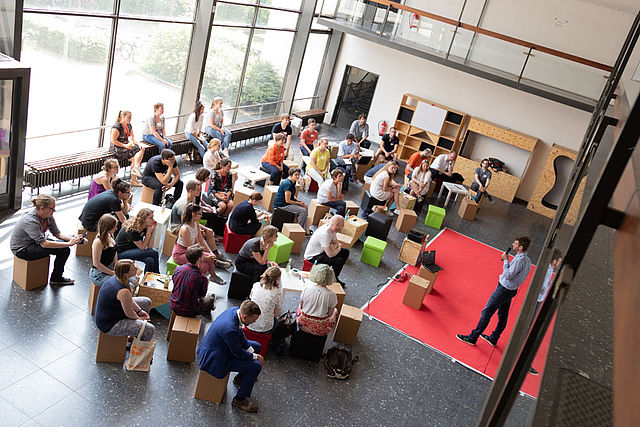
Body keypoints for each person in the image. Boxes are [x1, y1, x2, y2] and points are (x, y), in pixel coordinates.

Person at [456, 236, 533, 346]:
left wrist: (506, 260)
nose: (513, 244)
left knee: (486, 312)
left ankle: (473, 337)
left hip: (504, 290)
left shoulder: (520, 261)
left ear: (520, 247)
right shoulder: (527, 261)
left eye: (515, 243)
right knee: (503, 315)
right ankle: (494, 338)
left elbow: (508, 275)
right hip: (511, 290)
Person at [197, 300, 264, 413]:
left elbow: (240, 334)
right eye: (253, 320)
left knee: (256, 346)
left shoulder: (234, 311)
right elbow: (238, 353)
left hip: (221, 349)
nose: (254, 322)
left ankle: (241, 377)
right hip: (215, 359)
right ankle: (239, 400)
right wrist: (255, 357)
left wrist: (252, 352)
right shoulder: (230, 329)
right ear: (244, 317)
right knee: (255, 366)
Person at [10, 195, 83, 285]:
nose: (54, 211)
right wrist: (69, 244)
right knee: (64, 249)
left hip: (36, 241)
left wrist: (73, 239)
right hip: (23, 249)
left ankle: (56, 277)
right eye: (52, 208)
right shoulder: (30, 220)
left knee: (63, 247)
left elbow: (58, 234)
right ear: (42, 208)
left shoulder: (48, 216)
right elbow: (44, 244)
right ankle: (56, 278)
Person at [169, 180, 231, 268]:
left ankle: (215, 254)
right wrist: (196, 229)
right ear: (191, 191)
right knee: (200, 234)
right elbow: (185, 223)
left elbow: (194, 215)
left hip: (189, 222)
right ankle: (212, 258)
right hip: (177, 226)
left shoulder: (192, 198)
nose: (200, 192)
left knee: (209, 231)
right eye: (198, 190)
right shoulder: (184, 205)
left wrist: (199, 226)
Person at [95, 259, 155, 341]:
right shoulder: (123, 291)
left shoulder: (118, 277)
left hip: (114, 311)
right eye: (134, 269)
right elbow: (130, 314)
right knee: (149, 329)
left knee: (146, 302)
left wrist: (140, 311)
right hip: (110, 324)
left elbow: (128, 300)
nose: (137, 269)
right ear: (126, 274)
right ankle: (137, 349)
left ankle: (133, 336)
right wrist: (142, 320)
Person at [528, 249, 562, 375]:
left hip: (538, 299)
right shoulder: (548, 271)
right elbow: (543, 288)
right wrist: (551, 284)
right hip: (538, 300)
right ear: (554, 261)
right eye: (558, 261)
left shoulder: (549, 270)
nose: (559, 263)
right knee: (530, 326)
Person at [172, 204, 225, 285]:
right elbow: (191, 251)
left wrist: (210, 252)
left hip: (192, 250)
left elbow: (201, 239)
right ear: (193, 214)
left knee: (209, 258)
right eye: (200, 213)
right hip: (182, 253)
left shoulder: (195, 223)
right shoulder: (185, 229)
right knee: (204, 265)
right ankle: (198, 283)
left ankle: (213, 276)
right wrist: (206, 257)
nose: (201, 215)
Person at [170, 244, 215, 317]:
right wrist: (206, 283)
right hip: (189, 310)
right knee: (211, 299)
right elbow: (201, 298)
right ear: (199, 259)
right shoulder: (201, 278)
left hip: (173, 305)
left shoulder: (178, 269)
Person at [304, 215, 349, 285]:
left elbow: (336, 242)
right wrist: (337, 249)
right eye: (342, 225)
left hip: (322, 251)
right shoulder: (325, 234)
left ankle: (334, 276)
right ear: (337, 225)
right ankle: (333, 280)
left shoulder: (332, 229)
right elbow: (330, 255)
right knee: (338, 261)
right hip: (313, 256)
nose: (343, 226)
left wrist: (334, 248)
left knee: (345, 252)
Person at [115, 208, 160, 274]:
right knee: (154, 252)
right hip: (120, 252)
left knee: (150, 260)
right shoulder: (133, 230)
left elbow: (150, 246)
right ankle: (157, 274)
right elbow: (143, 247)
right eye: (151, 218)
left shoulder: (145, 226)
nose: (153, 220)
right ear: (143, 219)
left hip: (134, 248)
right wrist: (148, 234)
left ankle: (146, 281)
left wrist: (153, 230)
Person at [297, 264, 338, 336]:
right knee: (335, 311)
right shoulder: (332, 294)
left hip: (303, 324)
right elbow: (329, 314)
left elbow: (302, 307)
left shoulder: (307, 289)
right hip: (319, 328)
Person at [109, 110, 144, 186]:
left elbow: (132, 137)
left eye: (131, 117)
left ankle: (136, 168)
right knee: (135, 158)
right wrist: (125, 146)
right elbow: (113, 141)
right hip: (117, 147)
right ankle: (134, 179)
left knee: (142, 149)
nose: (130, 118)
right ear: (123, 117)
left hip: (126, 145)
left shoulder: (129, 125)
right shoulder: (117, 126)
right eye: (129, 117)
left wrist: (138, 144)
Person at [247, 266, 283, 334]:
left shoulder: (256, 285)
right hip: (265, 328)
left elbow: (251, 298)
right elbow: (276, 314)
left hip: (249, 322)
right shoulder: (278, 293)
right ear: (278, 279)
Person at [273, 168, 308, 233]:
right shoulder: (287, 184)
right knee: (303, 211)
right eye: (296, 175)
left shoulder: (293, 182)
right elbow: (288, 200)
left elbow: (292, 195)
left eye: (299, 175)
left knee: (305, 206)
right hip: (282, 205)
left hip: (286, 202)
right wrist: (299, 203)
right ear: (291, 175)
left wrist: (299, 201)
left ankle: (304, 229)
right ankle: (299, 230)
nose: (298, 176)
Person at [89, 214, 119, 287]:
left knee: (133, 280)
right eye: (114, 227)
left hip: (110, 269)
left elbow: (115, 253)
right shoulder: (98, 242)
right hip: (99, 273)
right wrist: (112, 273)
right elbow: (96, 263)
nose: (116, 228)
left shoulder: (110, 236)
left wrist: (116, 267)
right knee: (125, 285)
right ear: (108, 227)